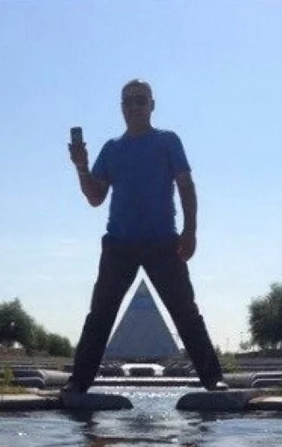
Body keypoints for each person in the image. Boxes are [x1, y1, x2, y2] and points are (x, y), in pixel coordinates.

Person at [64, 79, 227, 394]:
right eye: (128, 101)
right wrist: (82, 168)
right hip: (119, 243)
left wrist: (190, 229)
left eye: (140, 100)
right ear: (121, 108)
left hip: (163, 242)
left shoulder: (168, 141)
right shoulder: (111, 148)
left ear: (152, 105)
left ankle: (213, 379)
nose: (134, 106)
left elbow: (186, 185)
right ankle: (78, 382)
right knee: (100, 314)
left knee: (185, 312)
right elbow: (96, 197)